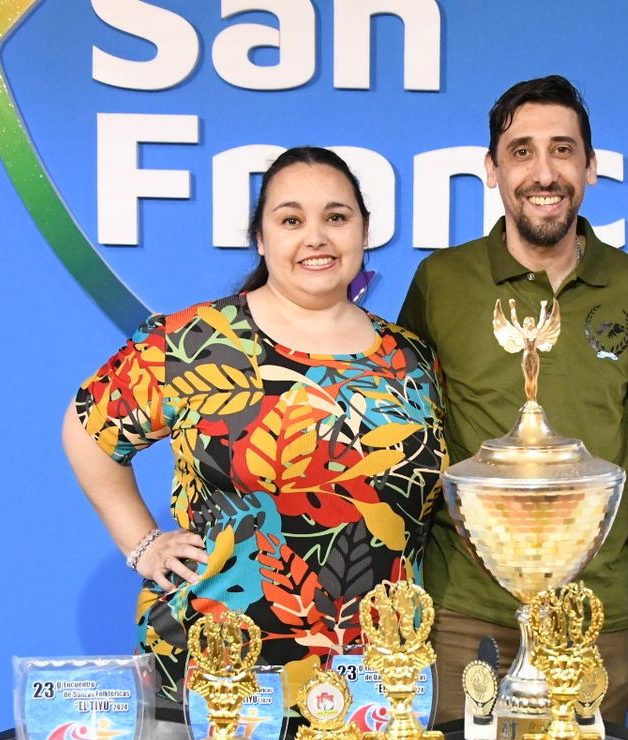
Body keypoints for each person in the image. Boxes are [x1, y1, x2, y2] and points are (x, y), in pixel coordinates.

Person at [64, 147, 446, 701]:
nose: (315, 237)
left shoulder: (409, 357)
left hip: (378, 683)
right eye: (291, 220)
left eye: (335, 218)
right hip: (221, 671)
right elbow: (87, 431)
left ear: (364, 231)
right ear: (262, 239)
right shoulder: (197, 341)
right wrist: (143, 544)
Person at [398, 75, 628, 726]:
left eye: (563, 150)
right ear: (491, 169)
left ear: (592, 167)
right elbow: (405, 416)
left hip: (595, 612)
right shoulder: (442, 282)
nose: (543, 172)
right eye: (521, 151)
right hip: (466, 614)